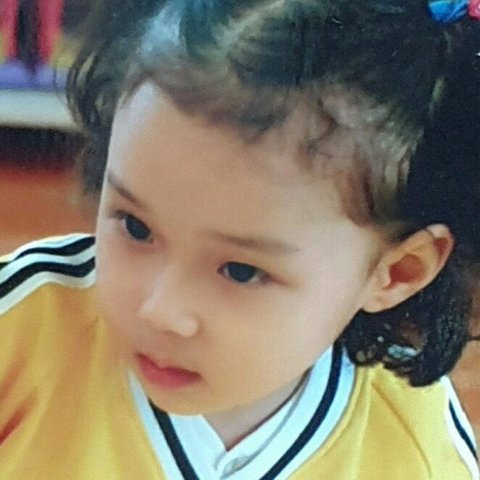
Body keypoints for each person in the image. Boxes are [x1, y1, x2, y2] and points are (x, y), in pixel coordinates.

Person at [1, 0, 480, 478]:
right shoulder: (20, 329)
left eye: (241, 271)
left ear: (398, 272)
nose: (160, 310)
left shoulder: (416, 448)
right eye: (135, 227)